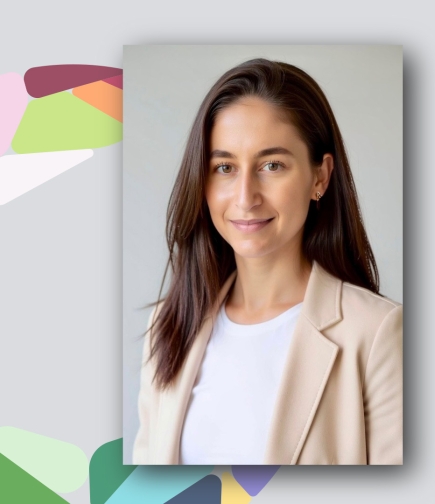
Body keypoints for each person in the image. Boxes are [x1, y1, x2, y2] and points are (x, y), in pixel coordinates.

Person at [133, 59, 402, 465]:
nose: (245, 196)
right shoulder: (167, 326)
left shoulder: (376, 333)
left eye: (271, 165)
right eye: (224, 167)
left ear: (320, 177)